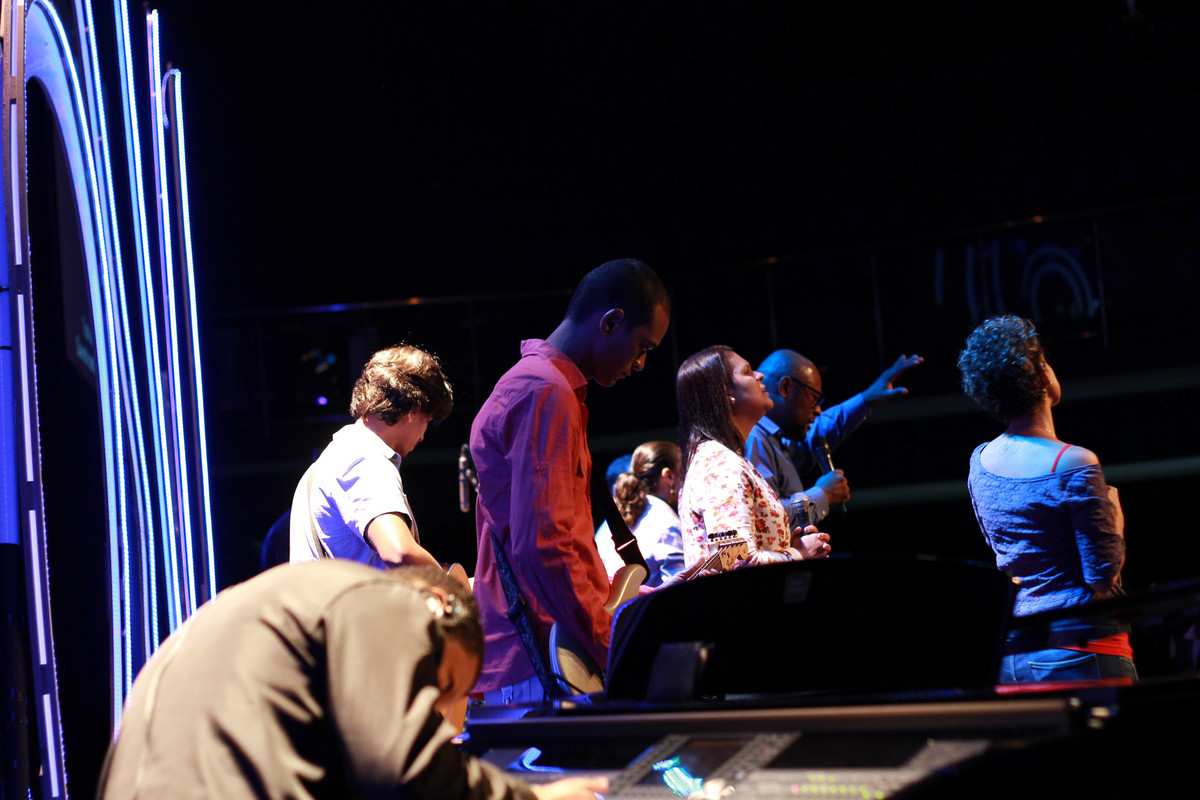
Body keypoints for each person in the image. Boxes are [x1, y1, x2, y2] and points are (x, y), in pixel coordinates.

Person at [95, 561, 607, 800]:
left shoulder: (257, 606)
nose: (436, 714)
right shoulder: (381, 600)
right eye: (440, 686)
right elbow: (403, 770)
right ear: (439, 606)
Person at [471, 259, 671, 704]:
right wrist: (610, 639)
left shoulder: (538, 386)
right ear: (611, 321)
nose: (640, 365)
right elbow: (546, 544)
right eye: (642, 347)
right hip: (546, 656)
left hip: (540, 647)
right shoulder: (546, 391)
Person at [958, 315, 1135, 684]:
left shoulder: (979, 461)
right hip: (1082, 653)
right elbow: (1103, 578)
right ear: (1040, 374)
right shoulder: (1074, 463)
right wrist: (1115, 512)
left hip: (1015, 655)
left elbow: (1005, 555)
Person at [290, 344, 453, 570]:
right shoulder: (365, 459)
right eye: (427, 421)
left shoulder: (339, 455)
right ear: (413, 410)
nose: (423, 436)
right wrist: (450, 588)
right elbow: (399, 551)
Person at [676, 346, 832, 570]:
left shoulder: (724, 458)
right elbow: (734, 561)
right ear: (724, 393)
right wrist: (798, 554)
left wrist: (789, 547)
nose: (759, 375)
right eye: (747, 371)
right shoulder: (720, 464)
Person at [746, 349, 923, 530]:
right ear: (785, 388)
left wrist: (866, 399)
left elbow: (820, 430)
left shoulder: (773, 440)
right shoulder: (754, 439)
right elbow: (765, 519)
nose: (818, 411)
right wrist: (823, 494)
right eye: (814, 400)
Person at [594, 441, 686, 586]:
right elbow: (675, 592)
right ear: (668, 476)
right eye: (683, 472)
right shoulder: (667, 522)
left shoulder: (607, 525)